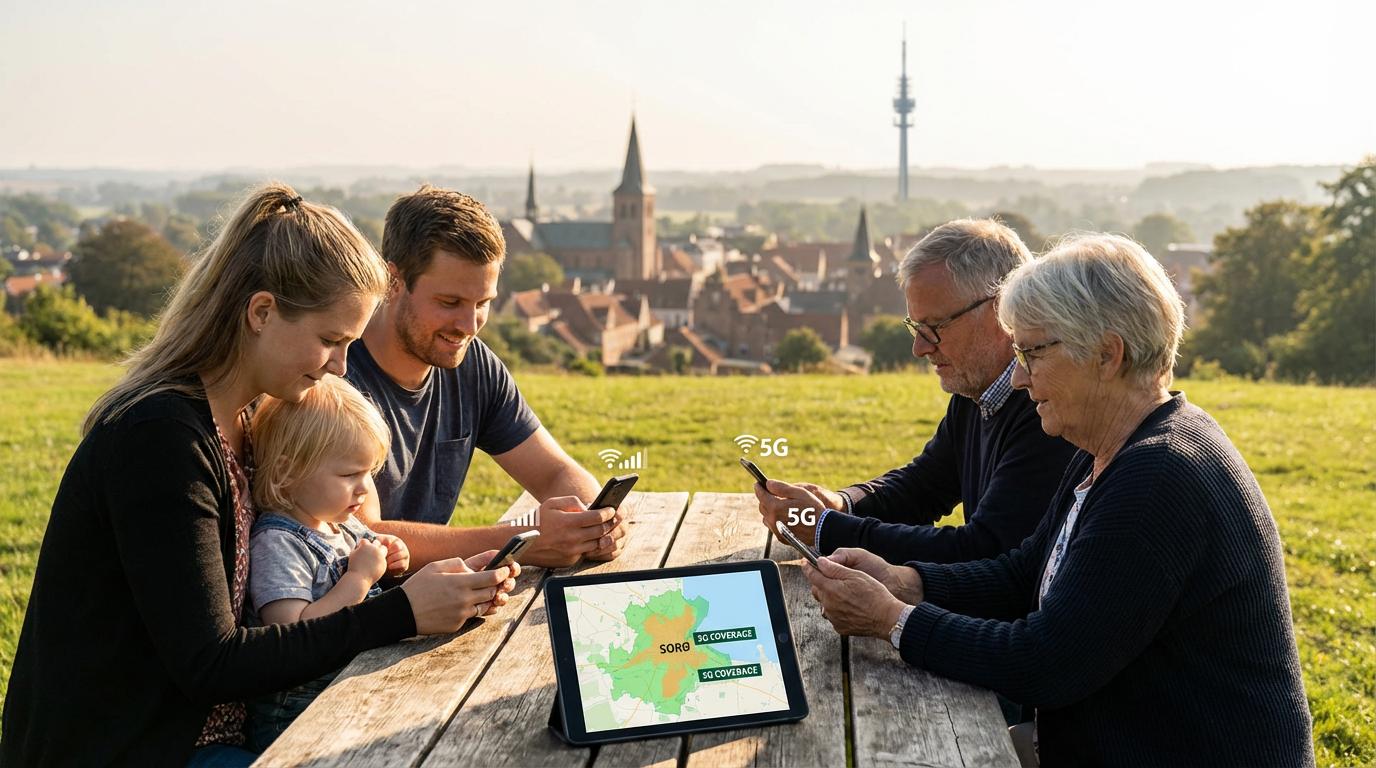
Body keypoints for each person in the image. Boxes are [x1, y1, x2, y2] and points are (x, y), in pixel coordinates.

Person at [1, 184, 520, 767]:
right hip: (132, 749)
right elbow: (212, 663)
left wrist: (430, 587)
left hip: (225, 733)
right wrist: (400, 613)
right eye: (330, 340)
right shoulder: (161, 437)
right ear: (262, 312)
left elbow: (303, 587)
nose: (341, 366)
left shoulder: (255, 419)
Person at [803, 233, 1314, 766]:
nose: (1019, 377)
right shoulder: (1110, 444)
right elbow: (1024, 573)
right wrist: (905, 581)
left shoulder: (1159, 476)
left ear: (1106, 355)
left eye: (1032, 353)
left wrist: (892, 619)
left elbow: (1047, 663)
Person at [755, 219, 1077, 565]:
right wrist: (840, 503)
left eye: (934, 327)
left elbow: (986, 549)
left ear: (1000, 309)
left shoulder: (1046, 408)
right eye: (915, 326)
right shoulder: (978, 389)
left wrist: (826, 529)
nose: (920, 347)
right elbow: (923, 486)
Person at [347, 185, 628, 569]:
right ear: (393, 281)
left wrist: (591, 523)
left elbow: (556, 472)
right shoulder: (337, 375)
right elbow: (360, 534)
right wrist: (519, 542)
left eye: (483, 304)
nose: (469, 326)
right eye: (450, 303)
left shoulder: (473, 365)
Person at [243, 376, 413, 750]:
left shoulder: (339, 521)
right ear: (288, 472)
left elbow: (368, 562)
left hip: (343, 695)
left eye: (368, 472)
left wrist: (390, 554)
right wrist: (358, 579)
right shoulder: (277, 543)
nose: (365, 487)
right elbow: (291, 632)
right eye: (349, 474)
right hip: (293, 723)